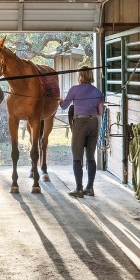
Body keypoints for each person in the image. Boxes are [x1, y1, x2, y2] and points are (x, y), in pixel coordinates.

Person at [60, 65, 103, 198]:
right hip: (94, 123)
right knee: (90, 157)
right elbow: (100, 112)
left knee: (77, 157)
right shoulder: (97, 92)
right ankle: (89, 188)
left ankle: (79, 189)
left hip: (80, 123)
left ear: (80, 76)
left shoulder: (75, 90)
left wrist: (60, 100)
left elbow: (64, 106)